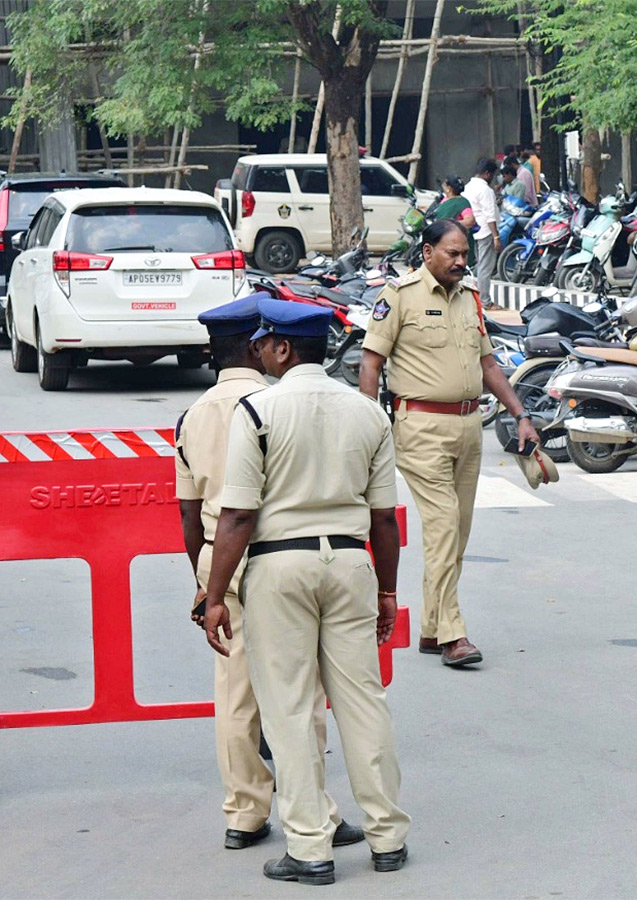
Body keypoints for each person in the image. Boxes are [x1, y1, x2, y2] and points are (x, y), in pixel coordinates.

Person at [202, 298, 410, 886]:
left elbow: (238, 514)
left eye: (264, 343)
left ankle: (310, 848)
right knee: (362, 701)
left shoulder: (258, 410)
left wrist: (216, 595)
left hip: (279, 568)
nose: (259, 350)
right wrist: (388, 592)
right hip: (350, 564)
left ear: (283, 349)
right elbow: (385, 519)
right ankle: (387, 836)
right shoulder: (368, 412)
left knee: (290, 709)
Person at [177, 296, 363, 854]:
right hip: (271, 557)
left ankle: (243, 814)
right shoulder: (274, 404)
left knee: (234, 697)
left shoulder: (193, 414)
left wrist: (206, 582)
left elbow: (189, 511)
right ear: (259, 347)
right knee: (297, 694)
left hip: (218, 556)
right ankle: (317, 814)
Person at [357, 220, 539, 668]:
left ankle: (431, 626)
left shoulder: (470, 298)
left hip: (468, 427)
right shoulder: (399, 297)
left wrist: (520, 414)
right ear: (427, 252)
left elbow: (489, 363)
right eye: (452, 253)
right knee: (442, 528)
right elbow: (370, 362)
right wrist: (367, 421)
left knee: (456, 533)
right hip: (420, 428)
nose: (460, 261)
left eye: (464, 255)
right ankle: (453, 636)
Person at [462, 157, 501, 303]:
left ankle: (476, 297)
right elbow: (490, 216)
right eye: (492, 175)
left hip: (473, 231)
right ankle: (485, 300)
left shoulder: (468, 186)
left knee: (479, 265)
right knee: (485, 267)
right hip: (485, 231)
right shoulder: (485, 190)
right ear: (487, 173)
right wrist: (496, 237)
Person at [429, 176, 476, 266]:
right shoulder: (444, 200)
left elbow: (470, 220)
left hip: (454, 241)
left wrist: (451, 224)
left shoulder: (462, 202)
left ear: (449, 188)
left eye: (445, 185)